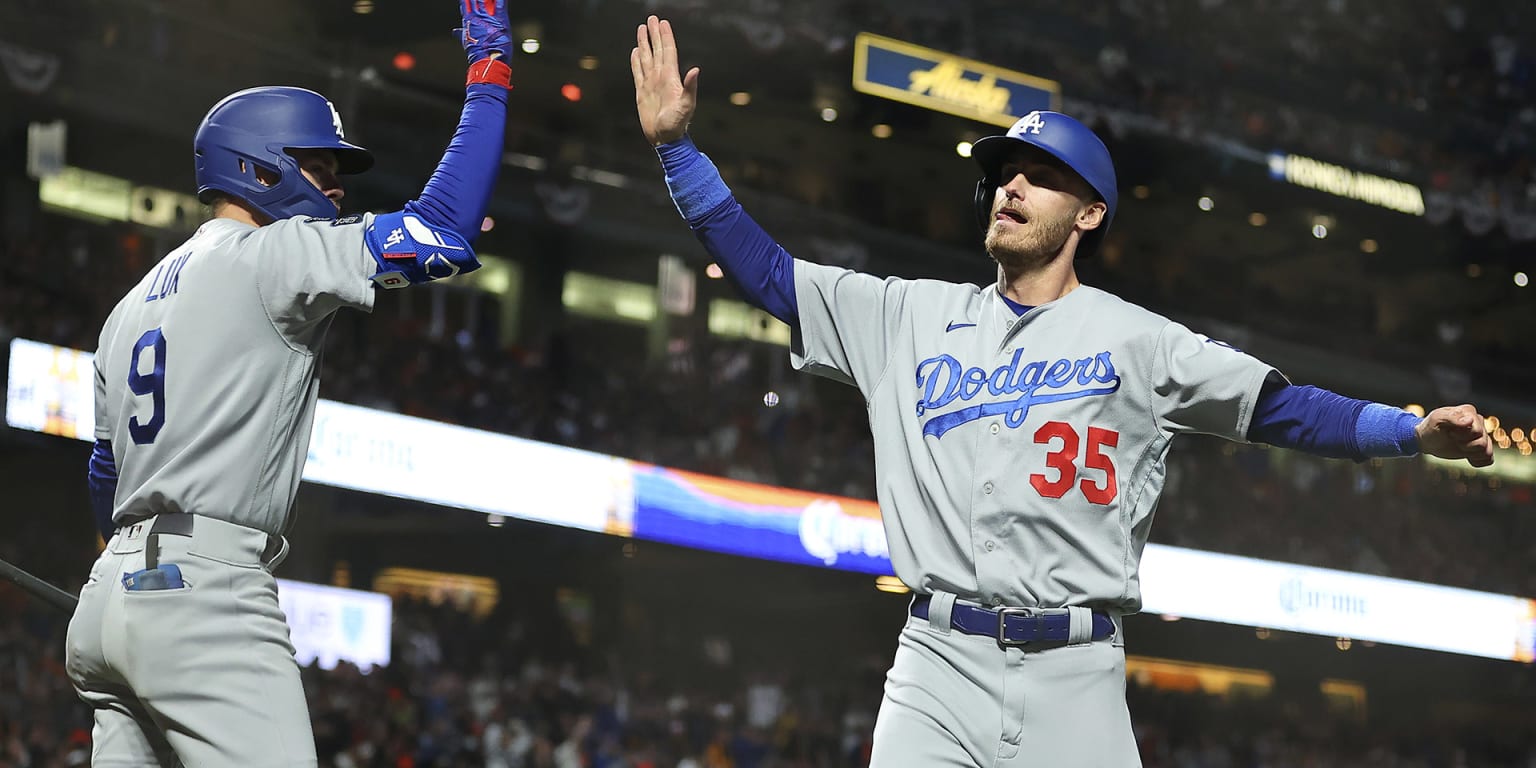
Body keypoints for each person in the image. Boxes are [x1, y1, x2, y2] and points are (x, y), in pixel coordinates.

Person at [629, 15, 1494, 767]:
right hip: (936, 661)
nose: (1010, 184)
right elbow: (773, 277)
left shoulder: (1138, 338)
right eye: (1005, 171)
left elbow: (1279, 408)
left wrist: (1409, 433)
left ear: (1088, 215)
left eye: (1038, 176)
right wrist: (678, 150)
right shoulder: (905, 316)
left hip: (1077, 674)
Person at [63, 1, 516, 764]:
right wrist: (489, 74)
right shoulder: (270, 258)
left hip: (107, 604)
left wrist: (129, 584)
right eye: (320, 164)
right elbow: (442, 231)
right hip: (205, 596)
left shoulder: (127, 305)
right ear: (255, 163)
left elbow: (104, 474)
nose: (335, 185)